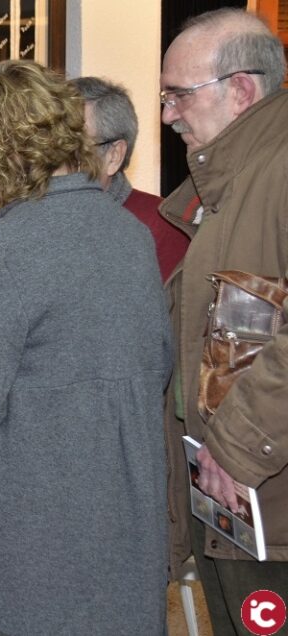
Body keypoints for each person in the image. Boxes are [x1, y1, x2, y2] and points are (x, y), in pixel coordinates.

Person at [0, 60, 172, 634]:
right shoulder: (132, 233)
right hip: (128, 499)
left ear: (7, 151)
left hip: (34, 520)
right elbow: (158, 366)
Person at [159, 9, 288, 632]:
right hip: (232, 499)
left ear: (240, 89)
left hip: (266, 497)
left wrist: (234, 449)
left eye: (179, 94)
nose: (167, 115)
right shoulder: (227, 184)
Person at [72, 76, 189, 281]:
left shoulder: (162, 228)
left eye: (74, 148)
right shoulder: (30, 220)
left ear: (114, 155)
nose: (53, 163)